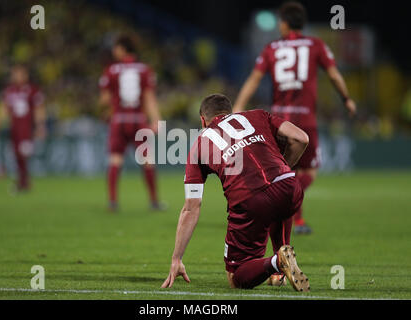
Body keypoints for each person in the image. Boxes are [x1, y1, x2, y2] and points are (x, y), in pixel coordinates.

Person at [161, 94, 310, 291]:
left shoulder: (199, 144)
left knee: (236, 276)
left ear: (202, 120)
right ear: (231, 113)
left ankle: (276, 263)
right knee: (280, 204)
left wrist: (176, 258)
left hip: (252, 200)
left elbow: (191, 208)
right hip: (290, 187)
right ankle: (279, 272)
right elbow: (301, 138)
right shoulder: (257, 115)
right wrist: (283, 167)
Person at [233, 1, 357, 235]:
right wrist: (347, 99)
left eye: (280, 21)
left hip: (278, 121)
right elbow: (334, 75)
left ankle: (271, 212)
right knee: (307, 173)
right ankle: (286, 215)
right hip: (305, 120)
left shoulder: (271, 48)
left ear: (285, 23)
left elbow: (254, 79)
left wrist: (239, 107)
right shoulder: (316, 45)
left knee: (279, 172)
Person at [99, 34, 165, 212]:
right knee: (147, 161)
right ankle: (154, 201)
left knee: (115, 160)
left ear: (122, 49)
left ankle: (113, 202)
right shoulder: (144, 69)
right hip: (138, 120)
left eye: (115, 48)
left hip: (119, 120)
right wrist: (156, 119)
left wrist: (108, 106)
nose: (114, 51)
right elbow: (149, 97)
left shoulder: (111, 70)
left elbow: (104, 99)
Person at [0, 64, 46, 191]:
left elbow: (39, 108)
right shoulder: (9, 90)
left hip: (26, 128)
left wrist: (40, 126)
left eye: (18, 73)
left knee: (24, 153)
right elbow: (4, 107)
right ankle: (23, 181)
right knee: (16, 155)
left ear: (25, 75)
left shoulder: (32, 90)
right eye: (14, 74)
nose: (15, 76)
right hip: (14, 128)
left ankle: (24, 181)